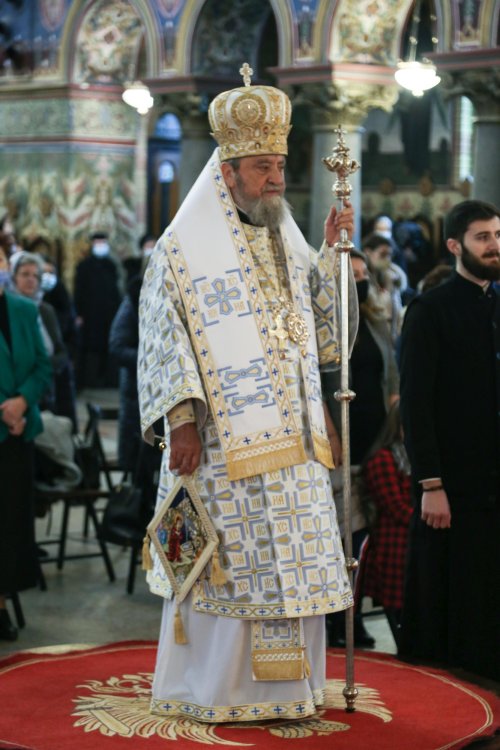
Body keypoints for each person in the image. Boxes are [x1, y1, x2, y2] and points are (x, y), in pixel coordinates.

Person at [138, 64, 356, 723]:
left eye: (279, 166)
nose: (275, 179)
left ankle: (290, 691)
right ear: (226, 171)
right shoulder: (181, 251)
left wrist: (333, 259)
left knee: (292, 567)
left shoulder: (287, 244)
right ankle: (214, 689)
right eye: (261, 167)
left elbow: (315, 339)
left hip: (294, 448)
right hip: (220, 447)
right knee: (230, 566)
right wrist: (179, 420)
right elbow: (163, 336)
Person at [399, 199, 500, 682]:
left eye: (498, 235)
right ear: (456, 245)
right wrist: (430, 483)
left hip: (495, 478)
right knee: (453, 591)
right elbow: (416, 404)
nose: (495, 245)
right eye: (483, 237)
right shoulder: (430, 310)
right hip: (454, 482)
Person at [322, 250, 400, 649]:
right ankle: (335, 618)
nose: (360, 280)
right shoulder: (324, 327)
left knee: (367, 532)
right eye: (351, 275)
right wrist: (330, 433)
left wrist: (394, 422)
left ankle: (354, 613)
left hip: (375, 443)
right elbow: (316, 384)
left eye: (363, 273)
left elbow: (390, 376)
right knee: (341, 535)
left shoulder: (376, 321)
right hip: (340, 442)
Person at [0, 240, 52, 640]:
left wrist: (21, 402)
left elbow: (41, 363)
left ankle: (2, 601)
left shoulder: (22, 309)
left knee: (12, 521)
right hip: (5, 420)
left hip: (18, 435)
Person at [359, 400, 412, 643]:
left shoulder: (412, 456)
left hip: (412, 543)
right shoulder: (383, 460)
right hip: (394, 548)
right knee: (400, 621)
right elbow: (396, 508)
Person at [73, 231, 122, 389]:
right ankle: (91, 382)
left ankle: (109, 381)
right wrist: (79, 314)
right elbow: (79, 291)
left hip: (109, 314)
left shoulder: (111, 265)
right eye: (97, 243)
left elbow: (115, 291)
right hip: (90, 314)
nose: (100, 246)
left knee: (109, 346)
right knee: (92, 347)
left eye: (103, 242)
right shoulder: (84, 266)